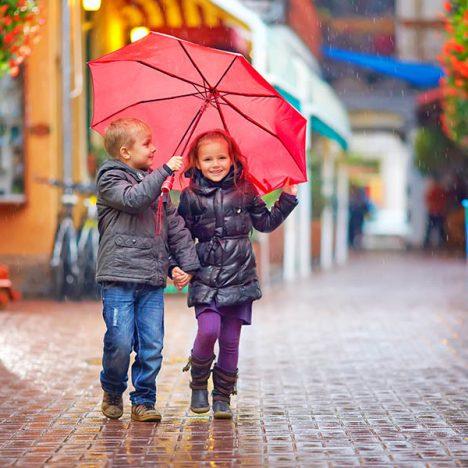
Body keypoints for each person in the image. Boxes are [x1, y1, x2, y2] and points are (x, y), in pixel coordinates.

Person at [173, 129, 298, 419]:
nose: (215, 164)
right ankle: (199, 383)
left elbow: (265, 223)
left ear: (232, 159)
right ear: (196, 162)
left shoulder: (245, 190)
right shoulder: (190, 196)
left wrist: (286, 199)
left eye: (221, 157)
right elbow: (179, 236)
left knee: (230, 340)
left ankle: (222, 397)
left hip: (240, 275)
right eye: (207, 159)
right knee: (208, 330)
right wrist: (178, 265)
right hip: (205, 274)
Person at [95, 118, 200, 422]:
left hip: (151, 278)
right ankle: (113, 389)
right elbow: (134, 199)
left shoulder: (159, 186)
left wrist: (185, 266)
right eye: (147, 143)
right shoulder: (110, 177)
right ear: (125, 152)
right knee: (120, 341)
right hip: (119, 278)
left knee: (152, 345)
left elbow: (175, 229)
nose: (154, 148)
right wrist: (166, 171)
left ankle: (144, 400)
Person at [423, 177, 447, 249]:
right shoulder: (439, 190)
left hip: (434, 211)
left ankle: (428, 243)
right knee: (438, 228)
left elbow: (428, 199)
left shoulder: (434, 190)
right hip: (437, 211)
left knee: (432, 228)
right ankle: (441, 243)